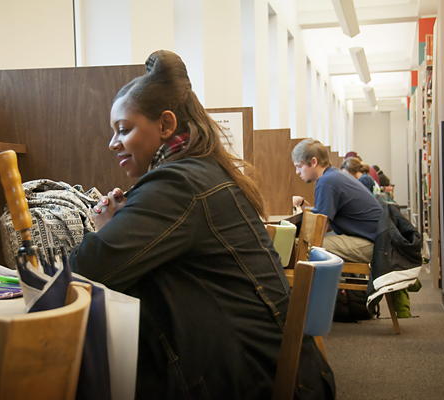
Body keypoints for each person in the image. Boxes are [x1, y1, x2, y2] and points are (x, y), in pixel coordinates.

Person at [69, 50, 335, 399]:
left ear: (165, 125)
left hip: (255, 377)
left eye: (124, 129)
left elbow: (87, 269)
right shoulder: (204, 170)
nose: (112, 143)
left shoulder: (178, 183)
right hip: (284, 369)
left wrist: (106, 229)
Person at [293, 139, 382, 264]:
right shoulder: (334, 175)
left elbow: (320, 227)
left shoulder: (326, 181)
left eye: (299, 166)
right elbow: (324, 218)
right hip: (375, 239)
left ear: (313, 162)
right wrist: (303, 204)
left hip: (371, 244)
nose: (297, 172)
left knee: (298, 246)